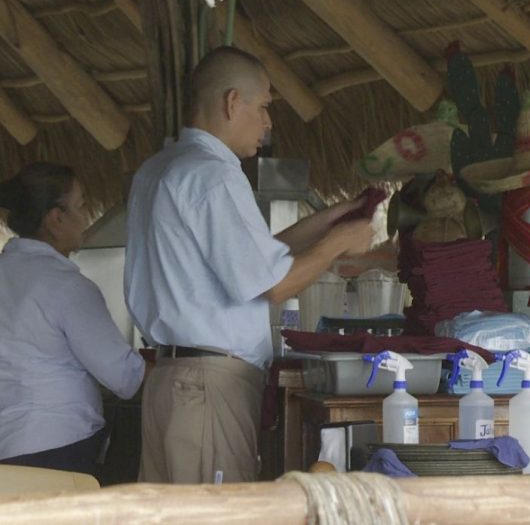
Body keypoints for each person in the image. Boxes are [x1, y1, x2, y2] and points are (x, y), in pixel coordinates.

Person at [125, 46, 373, 484]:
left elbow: (253, 259)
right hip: (208, 385)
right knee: (217, 514)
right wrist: (337, 243)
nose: (268, 122)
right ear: (231, 102)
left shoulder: (160, 168)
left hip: (173, 381)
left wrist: (331, 219)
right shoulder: (213, 174)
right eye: (263, 107)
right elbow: (273, 285)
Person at [0, 163, 145, 476]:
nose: (85, 216)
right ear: (56, 218)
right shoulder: (65, 286)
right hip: (58, 444)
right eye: (81, 205)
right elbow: (124, 377)